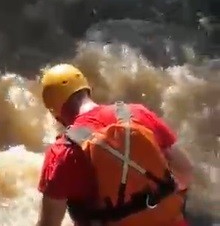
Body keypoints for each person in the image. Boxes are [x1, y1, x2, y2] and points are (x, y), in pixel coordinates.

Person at [36, 63, 194, 226]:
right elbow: (185, 171)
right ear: (87, 90)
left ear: (56, 116)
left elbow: (49, 223)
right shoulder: (138, 113)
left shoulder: (62, 151)